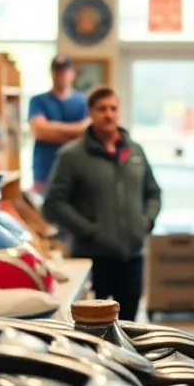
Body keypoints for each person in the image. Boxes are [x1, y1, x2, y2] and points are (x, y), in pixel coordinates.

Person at [43, 85, 161, 320]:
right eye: (101, 109)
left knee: (129, 328)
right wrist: (89, 230)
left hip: (132, 257)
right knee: (93, 329)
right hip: (94, 258)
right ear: (90, 113)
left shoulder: (135, 151)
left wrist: (146, 221)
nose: (108, 114)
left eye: (113, 108)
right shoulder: (72, 155)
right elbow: (53, 203)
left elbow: (153, 193)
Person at [27, 55, 89, 193]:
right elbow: (40, 131)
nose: (60, 75)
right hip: (45, 173)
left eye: (64, 71)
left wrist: (52, 129)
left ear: (72, 74)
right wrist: (75, 131)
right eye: (57, 71)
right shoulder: (38, 101)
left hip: (77, 173)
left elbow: (87, 132)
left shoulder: (84, 101)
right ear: (51, 73)